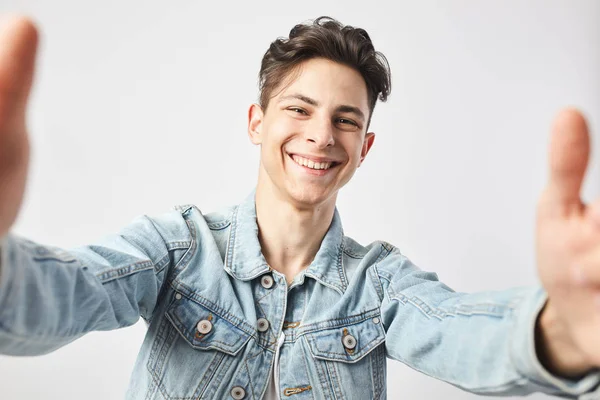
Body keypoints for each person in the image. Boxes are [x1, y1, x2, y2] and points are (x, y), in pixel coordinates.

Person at [0, 14, 599, 400]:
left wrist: (565, 331)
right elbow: (68, 291)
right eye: (298, 110)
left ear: (363, 149)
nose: (321, 136)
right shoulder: (177, 250)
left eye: (345, 121)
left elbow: (462, 332)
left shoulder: (379, 285)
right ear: (257, 122)